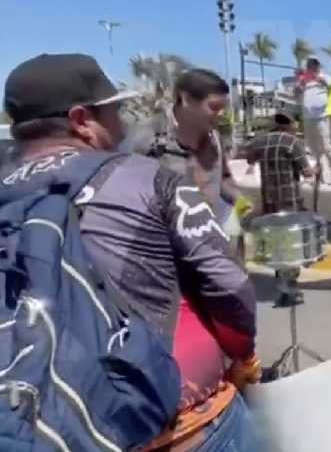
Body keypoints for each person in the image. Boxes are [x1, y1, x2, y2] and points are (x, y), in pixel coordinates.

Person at [4, 53, 262, 450]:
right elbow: (227, 283)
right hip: (176, 424)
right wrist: (242, 354)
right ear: (81, 120)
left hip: (53, 427)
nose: (121, 121)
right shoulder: (146, 175)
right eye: (113, 111)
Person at [140, 68, 243, 217]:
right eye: (214, 107)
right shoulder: (146, 140)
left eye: (223, 108)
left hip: (208, 232)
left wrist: (240, 201)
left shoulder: (216, 138)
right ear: (186, 99)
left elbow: (224, 180)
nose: (222, 114)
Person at [244, 112, 316, 307]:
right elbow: (307, 172)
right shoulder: (292, 142)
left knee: (276, 246)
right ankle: (290, 288)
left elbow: (249, 159)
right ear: (290, 124)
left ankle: (281, 285)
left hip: (270, 204)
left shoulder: (260, 142)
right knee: (291, 246)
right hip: (290, 203)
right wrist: (317, 170)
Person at [298, 56, 331, 184]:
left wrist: (318, 78)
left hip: (321, 117)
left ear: (318, 65)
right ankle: (318, 175)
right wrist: (299, 86)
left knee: (326, 146)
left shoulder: (325, 76)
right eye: (309, 64)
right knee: (313, 149)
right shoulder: (303, 79)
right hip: (307, 117)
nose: (311, 66)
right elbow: (296, 94)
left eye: (314, 64)